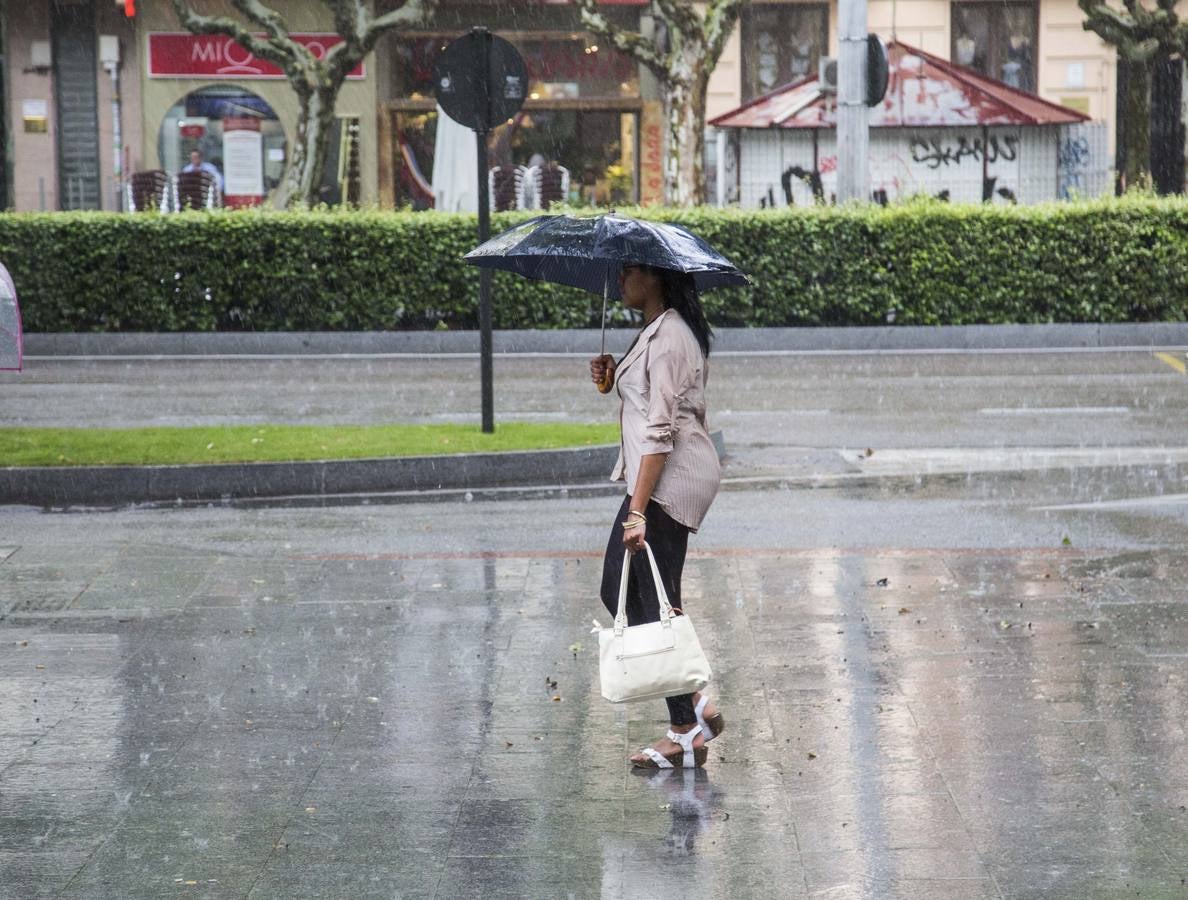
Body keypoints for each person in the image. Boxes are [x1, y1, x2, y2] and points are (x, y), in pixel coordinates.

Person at [589, 263, 725, 769]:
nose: (621, 277)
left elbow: (661, 431)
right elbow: (646, 402)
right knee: (638, 592)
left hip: (670, 479)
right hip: (666, 475)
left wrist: (637, 512)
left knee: (645, 595)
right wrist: (613, 381)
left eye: (630, 270)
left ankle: (686, 727)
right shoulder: (658, 329)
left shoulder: (668, 336)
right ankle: (693, 706)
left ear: (658, 277)